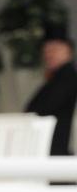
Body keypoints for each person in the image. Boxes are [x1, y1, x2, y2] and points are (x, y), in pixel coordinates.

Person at [25, 27, 77, 156]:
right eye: (46, 50)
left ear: (68, 51)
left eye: (54, 49)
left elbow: (41, 109)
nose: (49, 54)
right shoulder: (56, 79)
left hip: (57, 150)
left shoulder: (68, 78)